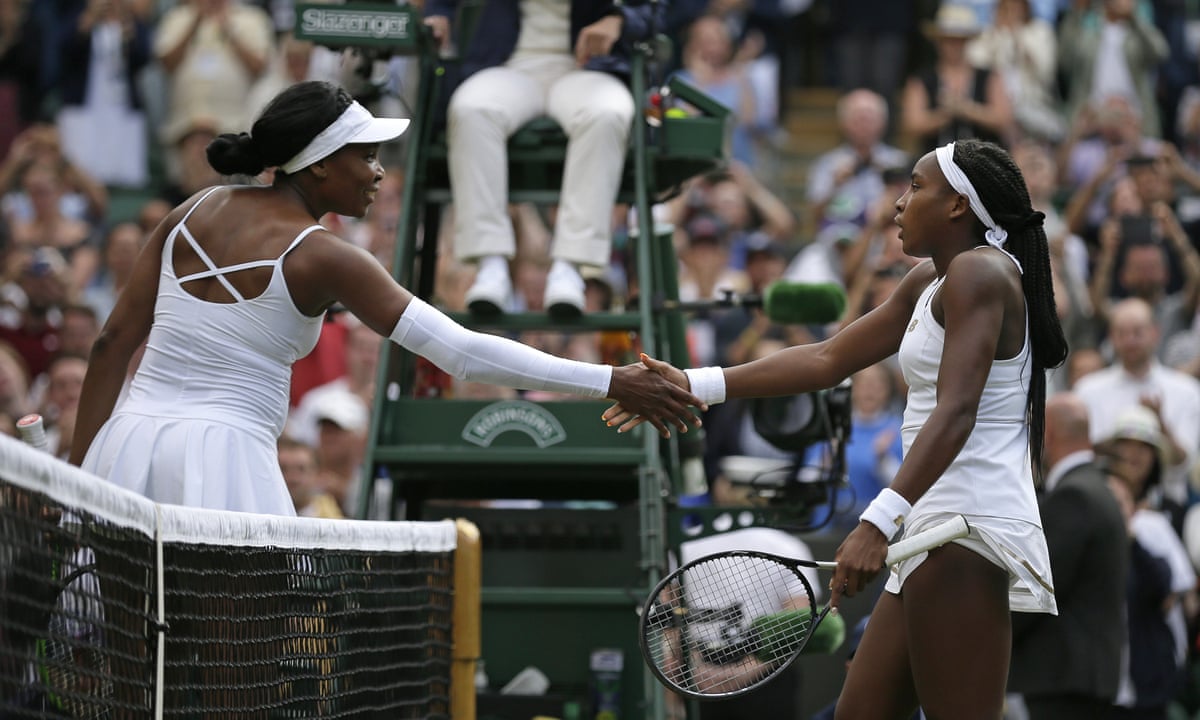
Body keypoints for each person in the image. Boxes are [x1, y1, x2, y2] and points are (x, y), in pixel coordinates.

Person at [67, 80, 702, 516]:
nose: (378, 172)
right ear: (318, 165)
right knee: (234, 683)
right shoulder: (327, 255)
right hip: (226, 464)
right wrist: (608, 380)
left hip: (126, 450)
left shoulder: (192, 210)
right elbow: (460, 351)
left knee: (132, 671)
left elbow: (110, 343)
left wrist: (78, 474)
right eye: (366, 156)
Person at [608, 138, 1068, 717]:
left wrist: (878, 521)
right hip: (932, 529)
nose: (899, 203)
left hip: (964, 530)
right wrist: (696, 384)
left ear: (957, 205)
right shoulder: (932, 281)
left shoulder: (980, 271)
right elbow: (828, 359)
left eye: (916, 186)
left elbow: (958, 412)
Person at [422, 0, 662, 317]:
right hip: (510, 65)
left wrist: (618, 20)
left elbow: (655, 10)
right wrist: (438, 13)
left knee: (607, 113)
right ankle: (490, 265)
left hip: (588, 68)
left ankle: (571, 268)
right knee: (471, 110)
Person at [1008, 392, 1128, 719]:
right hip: (1083, 676)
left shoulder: (1073, 496)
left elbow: (1038, 590)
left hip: (1062, 677)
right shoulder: (1098, 489)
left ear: (1048, 433)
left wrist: (987, 634)